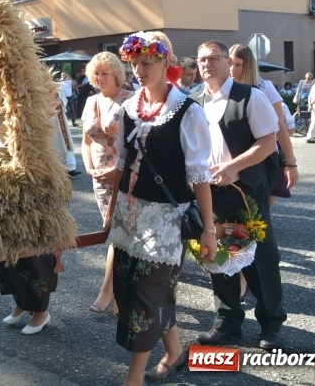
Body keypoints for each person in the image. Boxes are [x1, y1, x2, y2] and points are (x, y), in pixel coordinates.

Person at [107, 32, 215, 386]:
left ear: (166, 63)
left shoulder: (187, 110)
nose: (139, 70)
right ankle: (174, 352)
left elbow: (199, 176)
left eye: (146, 63)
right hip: (128, 213)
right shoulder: (128, 108)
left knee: (145, 294)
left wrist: (209, 229)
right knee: (129, 289)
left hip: (166, 219)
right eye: (135, 63)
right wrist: (111, 210)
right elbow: (122, 164)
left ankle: (133, 378)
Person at [193, 40, 285, 351]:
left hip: (244, 192)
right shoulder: (194, 101)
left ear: (228, 63)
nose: (208, 64)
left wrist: (235, 166)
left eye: (214, 58)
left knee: (259, 259)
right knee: (219, 256)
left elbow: (269, 142)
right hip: (209, 193)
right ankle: (227, 323)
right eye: (202, 59)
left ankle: (271, 324)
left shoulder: (250, 96)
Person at [0, 116, 61, 335]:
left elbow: (41, 160)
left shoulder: (31, 121)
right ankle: (22, 302)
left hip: (28, 200)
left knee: (33, 256)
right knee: (6, 258)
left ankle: (41, 311)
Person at [80, 52, 133, 314]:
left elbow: (135, 147)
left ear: (117, 74)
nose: (100, 78)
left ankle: (109, 292)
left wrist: (115, 171)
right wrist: (89, 167)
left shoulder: (131, 100)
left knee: (118, 232)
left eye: (105, 73)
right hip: (99, 178)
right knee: (114, 231)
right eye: (96, 73)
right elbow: (86, 141)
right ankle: (119, 291)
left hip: (125, 174)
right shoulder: (91, 101)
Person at [228, 44, 299, 207]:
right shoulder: (223, 88)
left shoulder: (264, 88)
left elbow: (280, 127)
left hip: (263, 157)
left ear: (248, 66)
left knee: (258, 210)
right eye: (230, 63)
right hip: (232, 156)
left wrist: (291, 163)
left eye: (238, 65)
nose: (233, 69)